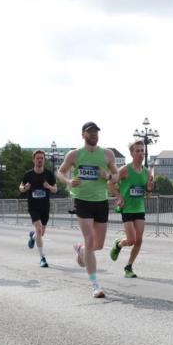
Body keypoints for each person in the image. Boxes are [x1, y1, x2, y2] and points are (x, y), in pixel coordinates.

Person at [57, 122, 119, 298]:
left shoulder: (107, 154)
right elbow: (60, 172)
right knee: (90, 239)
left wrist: (106, 175)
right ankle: (95, 285)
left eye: (96, 132)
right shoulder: (75, 154)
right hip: (82, 200)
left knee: (97, 245)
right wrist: (69, 181)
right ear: (83, 134)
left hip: (101, 201)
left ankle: (81, 250)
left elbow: (115, 176)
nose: (94, 135)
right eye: (90, 132)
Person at [109, 140, 154, 278]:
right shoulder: (125, 170)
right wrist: (118, 197)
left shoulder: (146, 172)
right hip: (127, 208)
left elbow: (147, 192)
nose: (141, 153)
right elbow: (110, 183)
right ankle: (118, 244)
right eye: (138, 151)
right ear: (132, 153)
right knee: (131, 240)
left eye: (142, 151)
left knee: (139, 240)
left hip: (139, 208)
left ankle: (128, 267)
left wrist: (149, 189)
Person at [19, 150, 58, 267]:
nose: (40, 160)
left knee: (41, 233)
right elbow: (20, 187)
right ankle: (42, 258)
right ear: (34, 160)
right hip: (33, 206)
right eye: (37, 158)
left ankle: (33, 236)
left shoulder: (49, 174)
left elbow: (55, 189)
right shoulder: (28, 175)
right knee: (39, 229)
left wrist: (49, 186)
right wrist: (25, 187)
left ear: (44, 160)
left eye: (42, 158)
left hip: (45, 207)